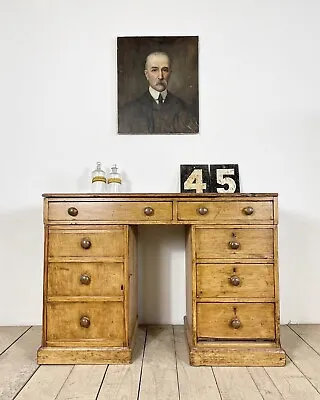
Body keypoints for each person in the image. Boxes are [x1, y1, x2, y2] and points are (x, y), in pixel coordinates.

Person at [118, 51, 199, 134]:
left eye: (165, 70)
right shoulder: (129, 111)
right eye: (154, 70)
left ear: (170, 73)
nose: (160, 76)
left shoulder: (184, 108)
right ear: (146, 74)